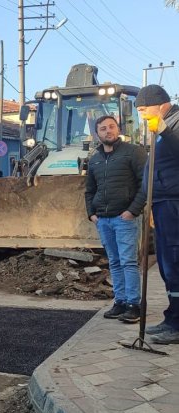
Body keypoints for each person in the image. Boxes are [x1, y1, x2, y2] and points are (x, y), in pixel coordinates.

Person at [85, 115, 147, 323]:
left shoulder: (133, 152)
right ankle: (119, 302)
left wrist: (133, 211)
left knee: (128, 262)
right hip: (103, 220)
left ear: (118, 129)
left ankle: (134, 305)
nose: (108, 131)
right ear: (97, 133)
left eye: (111, 127)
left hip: (124, 218)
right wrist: (91, 213)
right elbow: (89, 190)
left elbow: (145, 184)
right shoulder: (94, 159)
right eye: (103, 128)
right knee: (114, 262)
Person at [135, 84, 179, 343]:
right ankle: (172, 318)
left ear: (161, 104)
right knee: (166, 266)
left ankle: (177, 325)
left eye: (143, 109)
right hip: (163, 205)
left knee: (174, 263)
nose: (141, 114)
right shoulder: (163, 127)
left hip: (174, 203)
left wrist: (165, 131)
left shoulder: (173, 125)